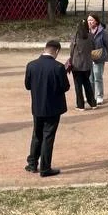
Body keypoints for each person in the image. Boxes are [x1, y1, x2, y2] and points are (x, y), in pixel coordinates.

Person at [25, 40, 69, 177]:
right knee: (48, 137)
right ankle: (45, 168)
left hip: (37, 106)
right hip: (53, 107)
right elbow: (65, 87)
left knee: (37, 135)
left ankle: (32, 164)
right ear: (57, 51)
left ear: (45, 49)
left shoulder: (31, 65)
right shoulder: (58, 67)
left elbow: (27, 85)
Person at [67, 19, 96, 109]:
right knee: (87, 83)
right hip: (87, 64)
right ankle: (92, 103)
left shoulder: (75, 37)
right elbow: (94, 48)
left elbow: (71, 50)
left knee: (78, 86)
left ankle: (80, 105)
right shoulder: (91, 36)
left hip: (77, 65)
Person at [87, 13, 108, 106]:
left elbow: (107, 45)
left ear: (96, 21)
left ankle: (99, 96)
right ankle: (91, 96)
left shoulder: (102, 32)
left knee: (98, 77)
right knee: (90, 78)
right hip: (88, 58)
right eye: (88, 20)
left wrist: (102, 54)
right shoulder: (86, 31)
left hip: (99, 57)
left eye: (91, 20)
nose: (89, 22)